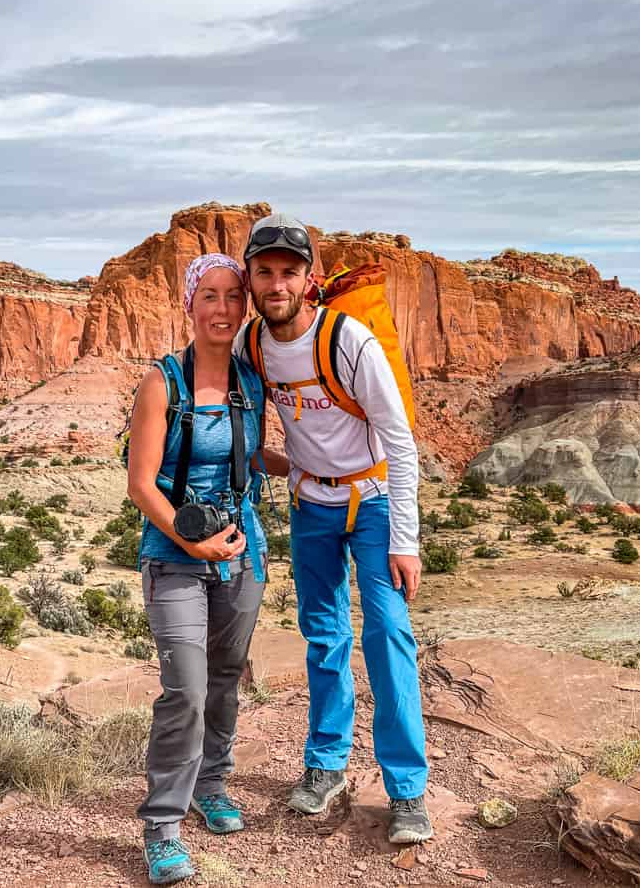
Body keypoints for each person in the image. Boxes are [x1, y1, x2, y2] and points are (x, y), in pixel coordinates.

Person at [234, 213, 432, 844]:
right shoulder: (251, 345)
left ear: (309, 279)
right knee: (323, 634)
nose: (276, 284)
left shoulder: (348, 342)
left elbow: (400, 443)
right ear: (251, 279)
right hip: (310, 506)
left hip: (372, 502)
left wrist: (406, 539)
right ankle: (325, 765)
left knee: (388, 635)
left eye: (289, 272)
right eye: (264, 272)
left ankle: (406, 790)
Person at [126, 253, 276, 885]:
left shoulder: (251, 382)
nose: (221, 308)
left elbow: (253, 456)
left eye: (232, 296)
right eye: (208, 295)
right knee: (184, 688)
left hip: (244, 554)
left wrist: (331, 459)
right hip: (174, 557)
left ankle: (210, 785)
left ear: (245, 307)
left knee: (223, 679)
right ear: (190, 304)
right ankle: (162, 826)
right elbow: (140, 485)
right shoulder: (163, 384)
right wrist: (191, 546)